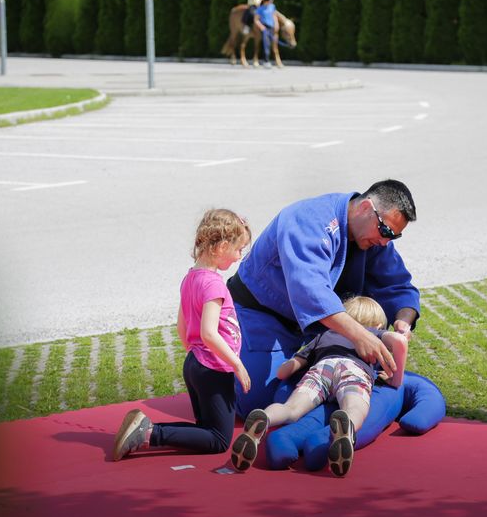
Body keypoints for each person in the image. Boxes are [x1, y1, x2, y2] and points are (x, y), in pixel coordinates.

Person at [227, 179, 419, 420]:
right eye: (386, 231)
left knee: (338, 378)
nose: (385, 241)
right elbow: (311, 292)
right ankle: (209, 359)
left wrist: (404, 320)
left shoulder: (374, 235)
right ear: (365, 208)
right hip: (262, 315)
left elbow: (397, 285)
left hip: (322, 327)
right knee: (256, 398)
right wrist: (360, 336)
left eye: (394, 236)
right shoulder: (307, 220)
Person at [112, 209, 252, 460]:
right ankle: (149, 433)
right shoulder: (214, 284)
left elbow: (182, 325)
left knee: (206, 429)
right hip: (213, 368)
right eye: (238, 249)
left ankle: (145, 430)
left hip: (196, 363)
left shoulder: (191, 278)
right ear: (222, 247)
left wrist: (194, 355)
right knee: (219, 439)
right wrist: (237, 364)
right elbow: (208, 333)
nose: (239, 256)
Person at [229, 296, 408, 477]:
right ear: (378, 325)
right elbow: (400, 342)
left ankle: (265, 417)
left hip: (322, 368)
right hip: (353, 371)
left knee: (291, 409)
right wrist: (396, 379)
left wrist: (292, 368)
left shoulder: (324, 335)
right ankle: (347, 427)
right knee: (355, 408)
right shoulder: (372, 334)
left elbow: (283, 372)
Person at [254, 0, 277, 67]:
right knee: (266, 44)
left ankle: (272, 59)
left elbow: (274, 15)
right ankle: (266, 61)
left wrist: (276, 24)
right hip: (264, 27)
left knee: (272, 43)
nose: (270, 3)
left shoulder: (272, 6)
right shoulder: (260, 9)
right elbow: (256, 20)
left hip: (271, 26)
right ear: (266, 1)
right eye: (270, 2)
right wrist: (261, 27)